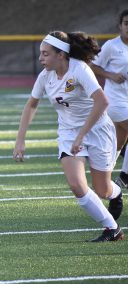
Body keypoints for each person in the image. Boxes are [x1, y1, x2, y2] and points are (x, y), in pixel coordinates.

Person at [13, 31, 124, 242]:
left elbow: (102, 102)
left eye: (45, 54)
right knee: (76, 185)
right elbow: (32, 104)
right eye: (40, 54)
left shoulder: (80, 69)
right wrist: (20, 139)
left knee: (103, 189)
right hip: (68, 133)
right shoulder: (45, 76)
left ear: (61, 55)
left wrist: (82, 135)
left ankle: (116, 192)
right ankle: (112, 228)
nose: (40, 58)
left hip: (98, 130)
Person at [91, 9, 128, 190]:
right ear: (120, 26)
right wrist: (110, 75)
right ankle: (125, 177)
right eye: (126, 23)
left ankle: (102, 178)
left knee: (119, 142)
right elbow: (93, 66)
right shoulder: (111, 46)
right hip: (115, 101)